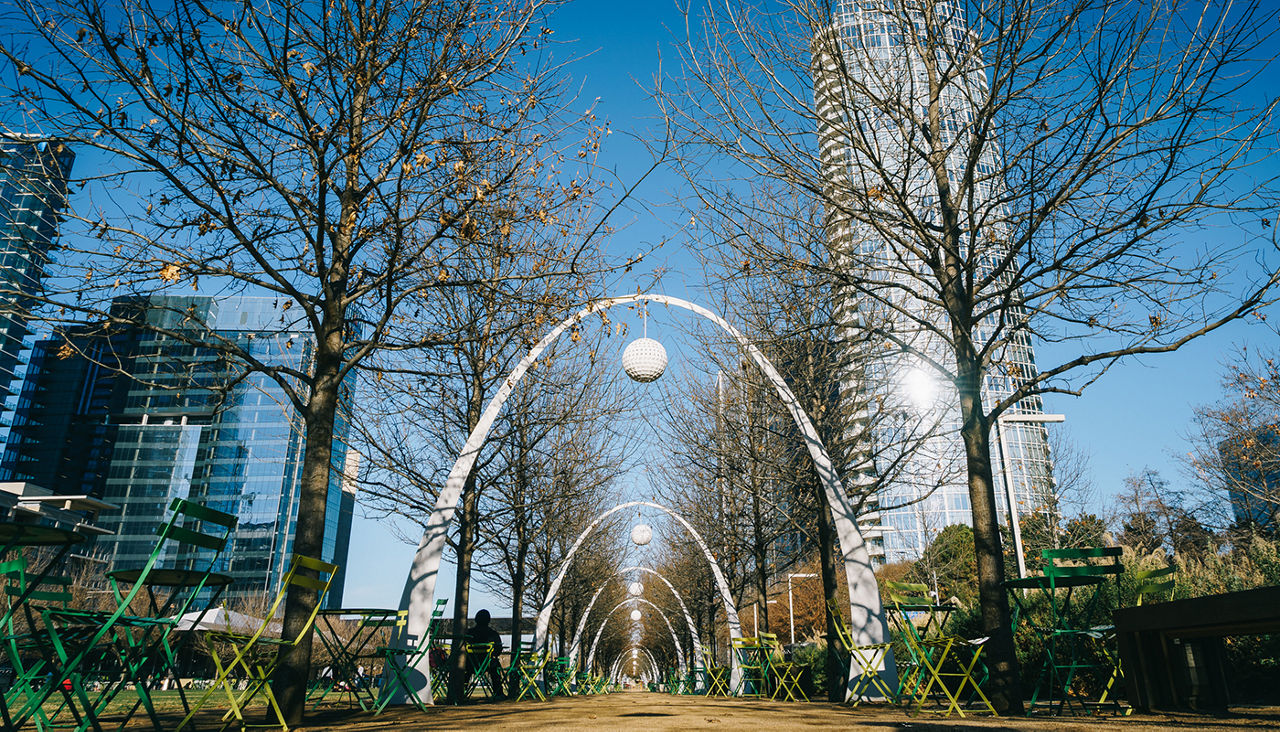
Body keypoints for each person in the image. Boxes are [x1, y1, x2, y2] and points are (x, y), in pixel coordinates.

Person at [464, 609, 506, 700]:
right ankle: (498, 692)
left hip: (471, 664)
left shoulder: (469, 633)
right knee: (495, 669)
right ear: (489, 620)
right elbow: (498, 650)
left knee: (465, 672)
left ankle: (463, 690)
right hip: (488, 664)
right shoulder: (493, 634)